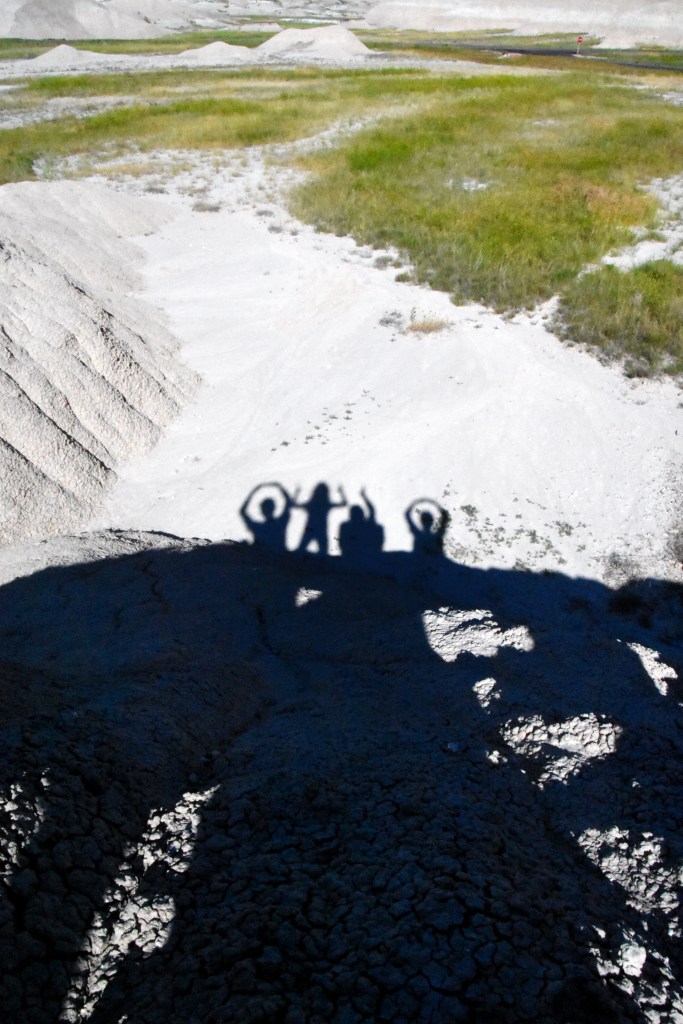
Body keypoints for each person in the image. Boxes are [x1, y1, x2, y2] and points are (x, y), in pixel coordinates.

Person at [240, 483, 299, 553]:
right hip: (281, 559)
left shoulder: (257, 527)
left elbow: (242, 511)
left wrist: (254, 491)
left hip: (264, 560)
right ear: (274, 508)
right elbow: (288, 503)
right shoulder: (281, 523)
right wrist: (280, 487)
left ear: (261, 511)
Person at [296, 483, 346, 556]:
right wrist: (341, 492)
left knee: (300, 551)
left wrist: (297, 492)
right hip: (321, 529)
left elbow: (294, 504)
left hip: (311, 528)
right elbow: (344, 503)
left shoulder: (311, 504)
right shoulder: (326, 504)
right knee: (324, 553)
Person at [338, 489, 384, 565]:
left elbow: (372, 510)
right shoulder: (347, 526)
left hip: (363, 553)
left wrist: (364, 496)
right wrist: (364, 496)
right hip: (352, 554)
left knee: (379, 528)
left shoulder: (365, 525)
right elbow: (372, 510)